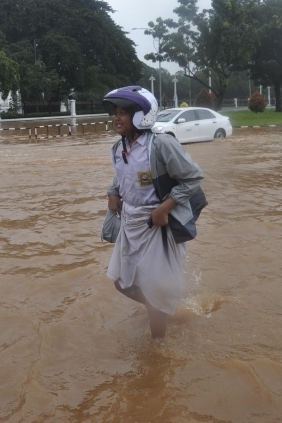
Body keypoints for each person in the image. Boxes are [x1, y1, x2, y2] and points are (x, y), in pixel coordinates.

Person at [103, 85, 204, 338]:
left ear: (141, 115)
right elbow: (121, 175)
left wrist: (165, 208)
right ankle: (159, 306)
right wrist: (113, 193)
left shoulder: (160, 145)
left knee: (157, 290)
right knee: (121, 281)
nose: (117, 118)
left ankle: (158, 349)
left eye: (123, 113)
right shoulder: (118, 148)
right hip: (131, 222)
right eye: (115, 112)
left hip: (158, 225)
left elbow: (192, 178)